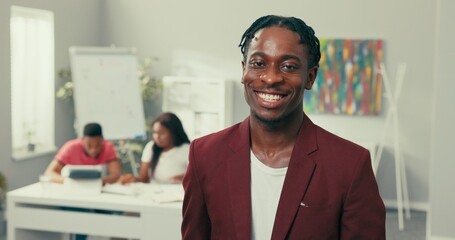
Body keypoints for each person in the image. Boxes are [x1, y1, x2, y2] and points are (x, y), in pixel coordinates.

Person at [181, 15, 385, 240]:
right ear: (243, 71)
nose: (270, 78)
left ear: (310, 77)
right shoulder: (205, 155)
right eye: (258, 63)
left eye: (288, 66)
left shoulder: (350, 165)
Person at [119, 112, 190, 184]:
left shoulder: (188, 149)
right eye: (155, 133)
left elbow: (196, 176)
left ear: (174, 132)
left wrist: (186, 177)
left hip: (178, 191)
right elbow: (143, 178)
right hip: (155, 192)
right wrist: (132, 179)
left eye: (161, 133)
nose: (157, 137)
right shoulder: (151, 147)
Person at [45, 122, 121, 185]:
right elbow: (49, 172)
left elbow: (116, 174)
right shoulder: (70, 147)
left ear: (102, 140)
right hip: (73, 188)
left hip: (99, 188)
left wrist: (97, 183)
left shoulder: (108, 147)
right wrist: (69, 182)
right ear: (82, 140)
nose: (93, 150)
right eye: (89, 146)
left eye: (97, 146)